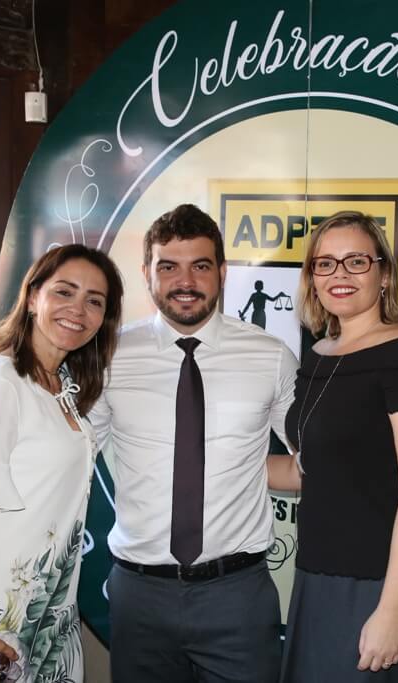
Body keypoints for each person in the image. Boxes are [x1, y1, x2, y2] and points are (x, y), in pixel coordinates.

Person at [89, 204, 298, 682]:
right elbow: (68, 459)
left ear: (222, 273)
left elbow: (314, 458)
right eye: (168, 267)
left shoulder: (270, 356)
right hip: (139, 595)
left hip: (238, 595)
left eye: (200, 266)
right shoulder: (109, 356)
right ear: (146, 273)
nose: (185, 281)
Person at [0, 244, 124, 683]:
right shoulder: (0, 383)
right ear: (32, 297)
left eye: (94, 301)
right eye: (64, 292)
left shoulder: (64, 387)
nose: (78, 309)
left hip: (48, 616)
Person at [268, 211, 398, 682]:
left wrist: (391, 612)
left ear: (384, 273)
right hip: (318, 577)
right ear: (312, 278)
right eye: (325, 263)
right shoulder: (318, 355)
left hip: (381, 585)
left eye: (356, 261)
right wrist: (209, 458)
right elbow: (307, 471)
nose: (340, 275)